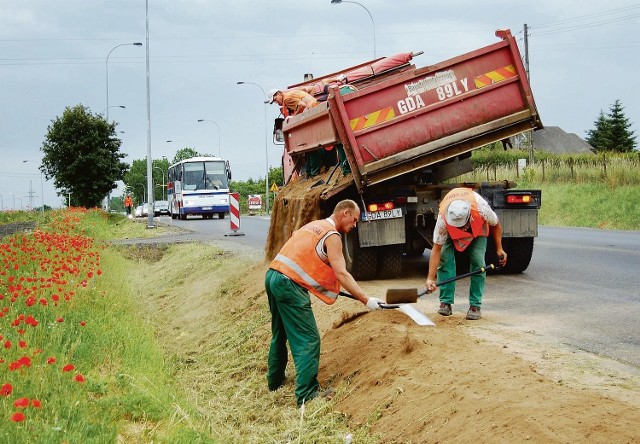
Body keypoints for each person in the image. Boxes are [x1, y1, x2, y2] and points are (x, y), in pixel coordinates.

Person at [265, 199, 384, 407]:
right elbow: (341, 273)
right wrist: (366, 299)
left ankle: (274, 382)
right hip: (288, 284)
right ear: (344, 213)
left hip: (273, 275)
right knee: (309, 339)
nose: (354, 225)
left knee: (280, 332)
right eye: (354, 220)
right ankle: (307, 395)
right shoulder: (333, 235)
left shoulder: (314, 226)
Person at [425, 187, 508, 320]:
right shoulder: (443, 220)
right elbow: (436, 250)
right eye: (456, 225)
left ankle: (475, 305)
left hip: (477, 229)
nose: (460, 228)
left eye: (461, 225)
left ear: (469, 216)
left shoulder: (481, 209)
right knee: (445, 260)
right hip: (450, 234)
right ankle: (445, 303)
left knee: (478, 262)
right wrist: (430, 278)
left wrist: (499, 248)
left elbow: (496, 224)